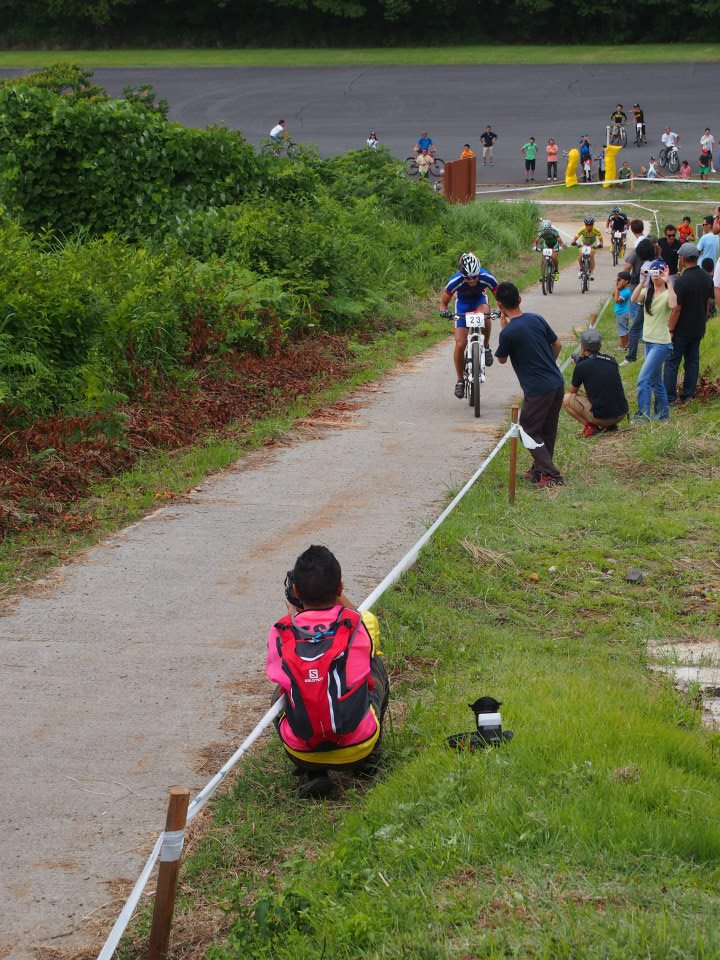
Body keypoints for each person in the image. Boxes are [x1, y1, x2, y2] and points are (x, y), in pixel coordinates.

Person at [266, 545, 389, 798]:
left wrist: (294, 614)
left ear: (296, 591)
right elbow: (357, 620)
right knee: (374, 665)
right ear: (340, 588)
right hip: (358, 744)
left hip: (301, 750)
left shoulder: (281, 632)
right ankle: (370, 758)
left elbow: (284, 673)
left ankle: (313, 773)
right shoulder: (359, 623)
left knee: (281, 690)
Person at [494, 282, 564, 488]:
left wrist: (504, 328)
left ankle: (551, 474)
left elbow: (501, 359)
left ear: (499, 306)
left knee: (526, 430)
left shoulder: (508, 332)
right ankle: (540, 470)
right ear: (520, 299)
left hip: (538, 389)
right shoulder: (536, 319)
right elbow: (557, 344)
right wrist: (550, 363)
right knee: (546, 429)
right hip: (556, 382)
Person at [439, 253, 497, 398]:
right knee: (460, 343)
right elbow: (443, 303)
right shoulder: (455, 281)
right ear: (462, 275)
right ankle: (460, 381)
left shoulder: (487, 277)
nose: (471, 280)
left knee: (485, 315)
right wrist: (444, 312)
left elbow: (500, 295)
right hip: (463, 305)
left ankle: (487, 346)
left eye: (475, 277)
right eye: (467, 278)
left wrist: (501, 310)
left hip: (479, 301)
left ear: (479, 272)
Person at [664, 243, 714, 404]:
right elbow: (707, 302)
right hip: (698, 327)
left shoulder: (682, 281)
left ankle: (670, 398)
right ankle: (688, 395)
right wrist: (703, 320)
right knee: (692, 361)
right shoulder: (707, 277)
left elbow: (676, 309)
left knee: (672, 362)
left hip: (681, 329)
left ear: (683, 259)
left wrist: (670, 329)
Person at [630, 260, 675, 422]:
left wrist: (668, 281)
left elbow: (673, 304)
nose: (656, 276)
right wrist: (643, 279)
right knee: (656, 381)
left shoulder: (666, 294)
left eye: (659, 272)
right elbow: (634, 299)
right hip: (648, 342)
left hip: (661, 344)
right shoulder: (647, 292)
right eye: (653, 272)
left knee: (643, 379)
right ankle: (663, 415)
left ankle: (643, 415)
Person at [563, 328, 628, 436]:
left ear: (583, 348)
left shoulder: (581, 366)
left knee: (566, 399)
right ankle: (610, 425)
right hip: (621, 414)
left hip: (602, 418)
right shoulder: (611, 360)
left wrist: (579, 368)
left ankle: (591, 427)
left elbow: (572, 391)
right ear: (600, 346)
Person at [620, 237, 659, 366]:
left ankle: (632, 357)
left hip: (646, 299)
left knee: (636, 329)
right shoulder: (659, 263)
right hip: (659, 298)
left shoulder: (644, 267)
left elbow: (644, 286)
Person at [571, 215, 604, 280]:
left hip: (592, 243)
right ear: (585, 224)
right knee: (580, 255)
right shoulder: (582, 229)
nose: (588, 226)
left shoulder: (596, 230)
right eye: (587, 224)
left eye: (590, 224)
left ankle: (591, 272)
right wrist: (574, 242)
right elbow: (575, 238)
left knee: (591, 255)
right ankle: (580, 269)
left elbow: (601, 240)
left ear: (593, 224)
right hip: (583, 243)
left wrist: (600, 244)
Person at [613, 270, 633, 352]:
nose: (619, 281)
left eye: (621, 280)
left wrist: (617, 288)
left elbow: (616, 300)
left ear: (627, 281)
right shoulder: (621, 290)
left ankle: (623, 346)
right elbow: (613, 295)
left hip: (622, 313)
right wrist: (617, 287)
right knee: (625, 329)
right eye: (618, 280)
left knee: (622, 331)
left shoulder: (626, 292)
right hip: (621, 312)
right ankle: (627, 344)